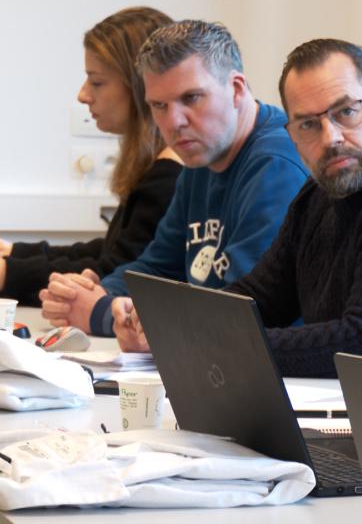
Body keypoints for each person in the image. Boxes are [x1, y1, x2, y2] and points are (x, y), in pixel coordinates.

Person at [113, 39, 362, 376]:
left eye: (346, 112)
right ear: (291, 135)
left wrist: (200, 340)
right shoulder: (317, 196)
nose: (331, 138)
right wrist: (166, 325)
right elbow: (257, 299)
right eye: (308, 125)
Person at [39, 20, 309, 336]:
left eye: (191, 98)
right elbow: (154, 269)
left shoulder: (276, 165)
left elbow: (239, 309)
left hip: (283, 376)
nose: (174, 121)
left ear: (236, 89)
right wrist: (91, 292)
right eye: (159, 106)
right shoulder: (199, 156)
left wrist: (101, 313)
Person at [0, 7, 182, 306]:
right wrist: (16, 253)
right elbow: (107, 251)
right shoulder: (155, 169)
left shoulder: (170, 177)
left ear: (139, 86)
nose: (83, 95)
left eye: (96, 82)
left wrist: (10, 273)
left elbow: (113, 272)